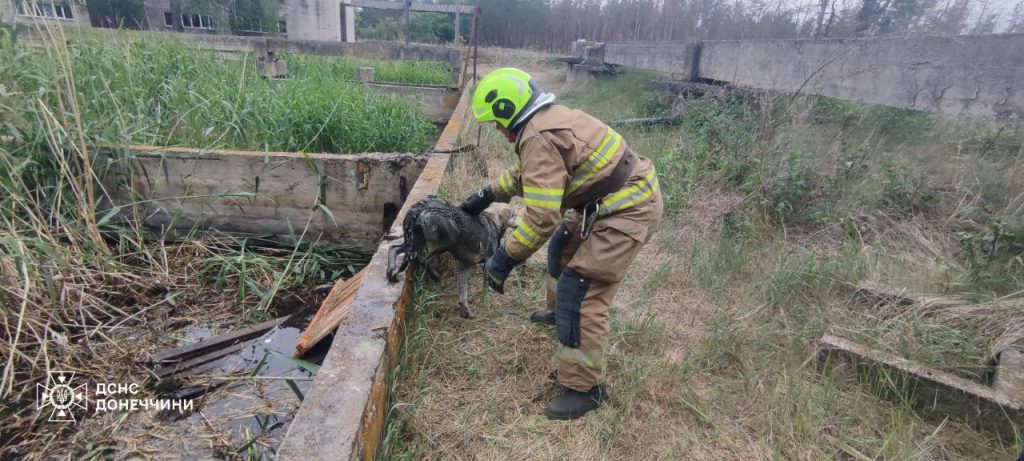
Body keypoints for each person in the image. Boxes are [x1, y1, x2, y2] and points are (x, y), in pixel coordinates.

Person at [459, 68, 663, 420]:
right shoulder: (543, 121)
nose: (496, 129)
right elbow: (531, 175)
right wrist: (485, 194)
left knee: (581, 289)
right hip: (609, 198)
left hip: (629, 209)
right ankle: (560, 315)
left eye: (496, 121)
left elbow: (541, 217)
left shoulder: (537, 135)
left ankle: (585, 389)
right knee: (562, 245)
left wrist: (504, 259)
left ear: (509, 110)